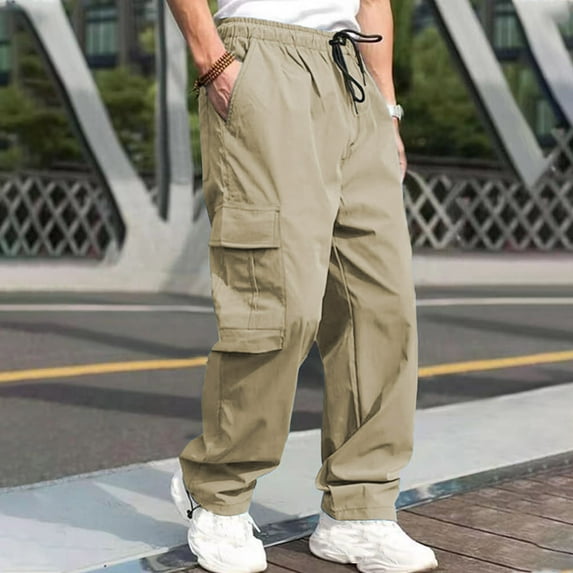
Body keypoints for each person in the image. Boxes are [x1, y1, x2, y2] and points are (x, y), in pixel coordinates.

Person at [166, 1, 438, 572]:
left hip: (353, 74)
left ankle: (359, 510)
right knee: (276, 299)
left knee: (381, 310)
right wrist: (212, 60)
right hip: (262, 60)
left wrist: (386, 108)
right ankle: (217, 493)